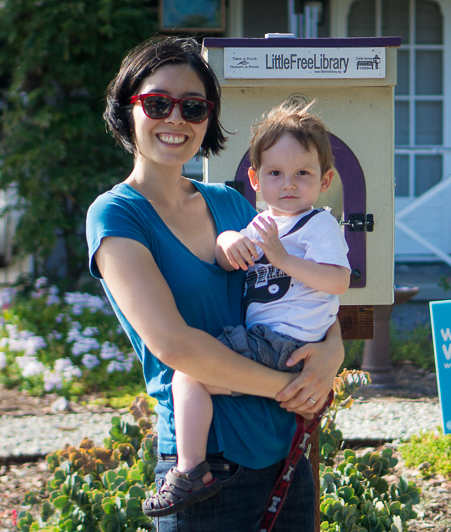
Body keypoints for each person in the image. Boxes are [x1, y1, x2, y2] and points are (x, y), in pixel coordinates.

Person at [86, 36, 343, 532]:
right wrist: (293, 387)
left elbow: (294, 290)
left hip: (282, 451)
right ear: (127, 110)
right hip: (208, 468)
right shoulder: (117, 215)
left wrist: (333, 353)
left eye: (194, 106)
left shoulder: (230, 203)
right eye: (158, 103)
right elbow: (175, 346)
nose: (176, 118)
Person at [145, 101, 351, 517]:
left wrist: (284, 259)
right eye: (275, 173)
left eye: (303, 174)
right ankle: (191, 467)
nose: (288, 184)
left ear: (325, 180)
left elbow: (338, 281)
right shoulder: (261, 222)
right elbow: (228, 261)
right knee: (192, 374)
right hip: (267, 342)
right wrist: (226, 243)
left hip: (283, 344)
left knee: (190, 375)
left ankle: (187, 471)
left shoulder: (318, 224)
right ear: (255, 180)